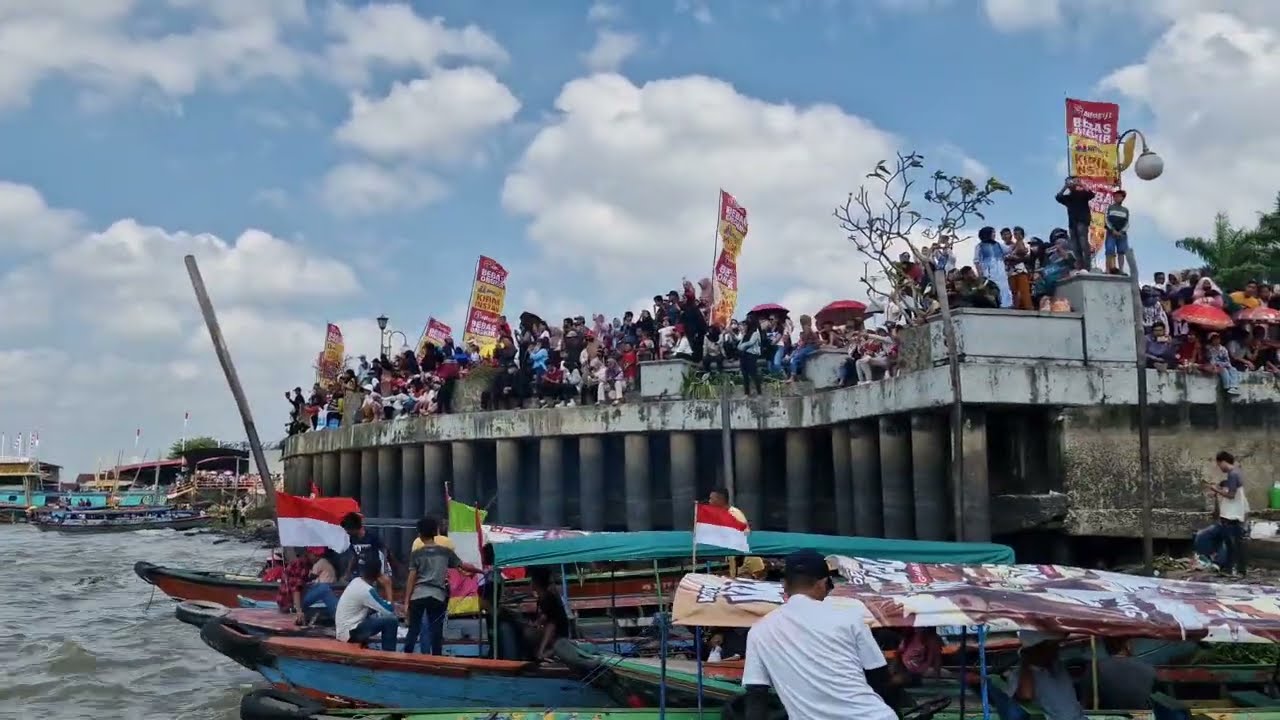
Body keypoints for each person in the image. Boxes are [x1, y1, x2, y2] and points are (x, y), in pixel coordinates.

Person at [743, 549, 896, 720]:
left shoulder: (759, 630)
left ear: (784, 585)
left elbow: (756, 694)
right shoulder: (849, 617)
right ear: (823, 583)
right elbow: (879, 677)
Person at [404, 515, 481, 654]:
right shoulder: (445, 552)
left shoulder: (416, 554)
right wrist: (480, 571)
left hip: (418, 595)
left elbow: (411, 578)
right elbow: (463, 566)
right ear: (435, 532)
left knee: (413, 630)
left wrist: (406, 601)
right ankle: (437, 658)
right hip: (438, 596)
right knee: (436, 631)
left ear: (420, 534)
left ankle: (406, 657)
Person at [1194, 450, 1250, 575]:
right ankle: (1234, 570)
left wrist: (1216, 490)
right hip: (1233, 515)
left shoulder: (1233, 474)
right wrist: (1219, 489)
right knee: (1234, 544)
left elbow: (1231, 495)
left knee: (1232, 544)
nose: (1219, 468)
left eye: (1219, 465)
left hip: (1231, 515)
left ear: (1223, 462)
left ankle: (1232, 569)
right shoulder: (1235, 474)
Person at [1009, 633, 1086, 720]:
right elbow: (1026, 695)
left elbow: (1063, 635)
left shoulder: (1056, 666)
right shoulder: (1021, 675)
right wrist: (1026, 663)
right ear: (1037, 649)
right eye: (1050, 645)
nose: (1056, 648)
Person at [334, 550, 399, 651]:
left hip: (343, 630)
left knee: (374, 614)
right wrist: (388, 586)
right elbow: (389, 611)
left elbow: (377, 605)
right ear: (379, 574)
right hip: (350, 633)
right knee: (391, 621)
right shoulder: (367, 590)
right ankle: (389, 654)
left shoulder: (356, 581)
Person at [1078, 637, 1155, 710]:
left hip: (1105, 714)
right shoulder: (1148, 668)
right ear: (1128, 645)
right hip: (1141, 715)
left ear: (1107, 645)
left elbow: (1085, 700)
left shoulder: (1095, 668)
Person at [340, 512, 394, 600]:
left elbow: (383, 549)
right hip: (362, 569)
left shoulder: (371, 536)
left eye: (348, 529)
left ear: (354, 528)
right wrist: (348, 572)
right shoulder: (352, 538)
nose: (347, 532)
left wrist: (384, 566)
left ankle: (389, 602)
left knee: (385, 582)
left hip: (375, 566)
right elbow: (354, 556)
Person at [527, 567, 571, 660]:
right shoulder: (543, 597)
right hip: (554, 634)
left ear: (536, 582)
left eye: (531, 580)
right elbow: (545, 616)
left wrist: (541, 650)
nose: (530, 583)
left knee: (529, 633)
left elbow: (551, 625)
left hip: (559, 637)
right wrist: (536, 623)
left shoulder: (548, 599)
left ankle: (548, 652)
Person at [1056, 177, 1096, 271]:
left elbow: (1091, 194)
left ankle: (1087, 267)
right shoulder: (1068, 197)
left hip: (1082, 221)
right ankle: (1080, 267)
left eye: (1072, 181)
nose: (1071, 183)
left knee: (1083, 243)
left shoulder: (1082, 194)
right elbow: (1058, 197)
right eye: (1069, 182)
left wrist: (1081, 184)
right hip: (1072, 223)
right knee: (1075, 246)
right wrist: (1065, 187)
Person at [1105, 188, 1131, 275]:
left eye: (1119, 196)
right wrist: (1113, 230)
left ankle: (1121, 270)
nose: (1117, 198)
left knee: (1121, 251)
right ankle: (1107, 269)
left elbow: (1127, 223)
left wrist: (1122, 231)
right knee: (1109, 250)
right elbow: (1106, 220)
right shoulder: (1110, 207)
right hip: (1111, 233)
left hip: (1122, 234)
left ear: (1123, 198)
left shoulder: (1125, 210)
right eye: (1116, 196)